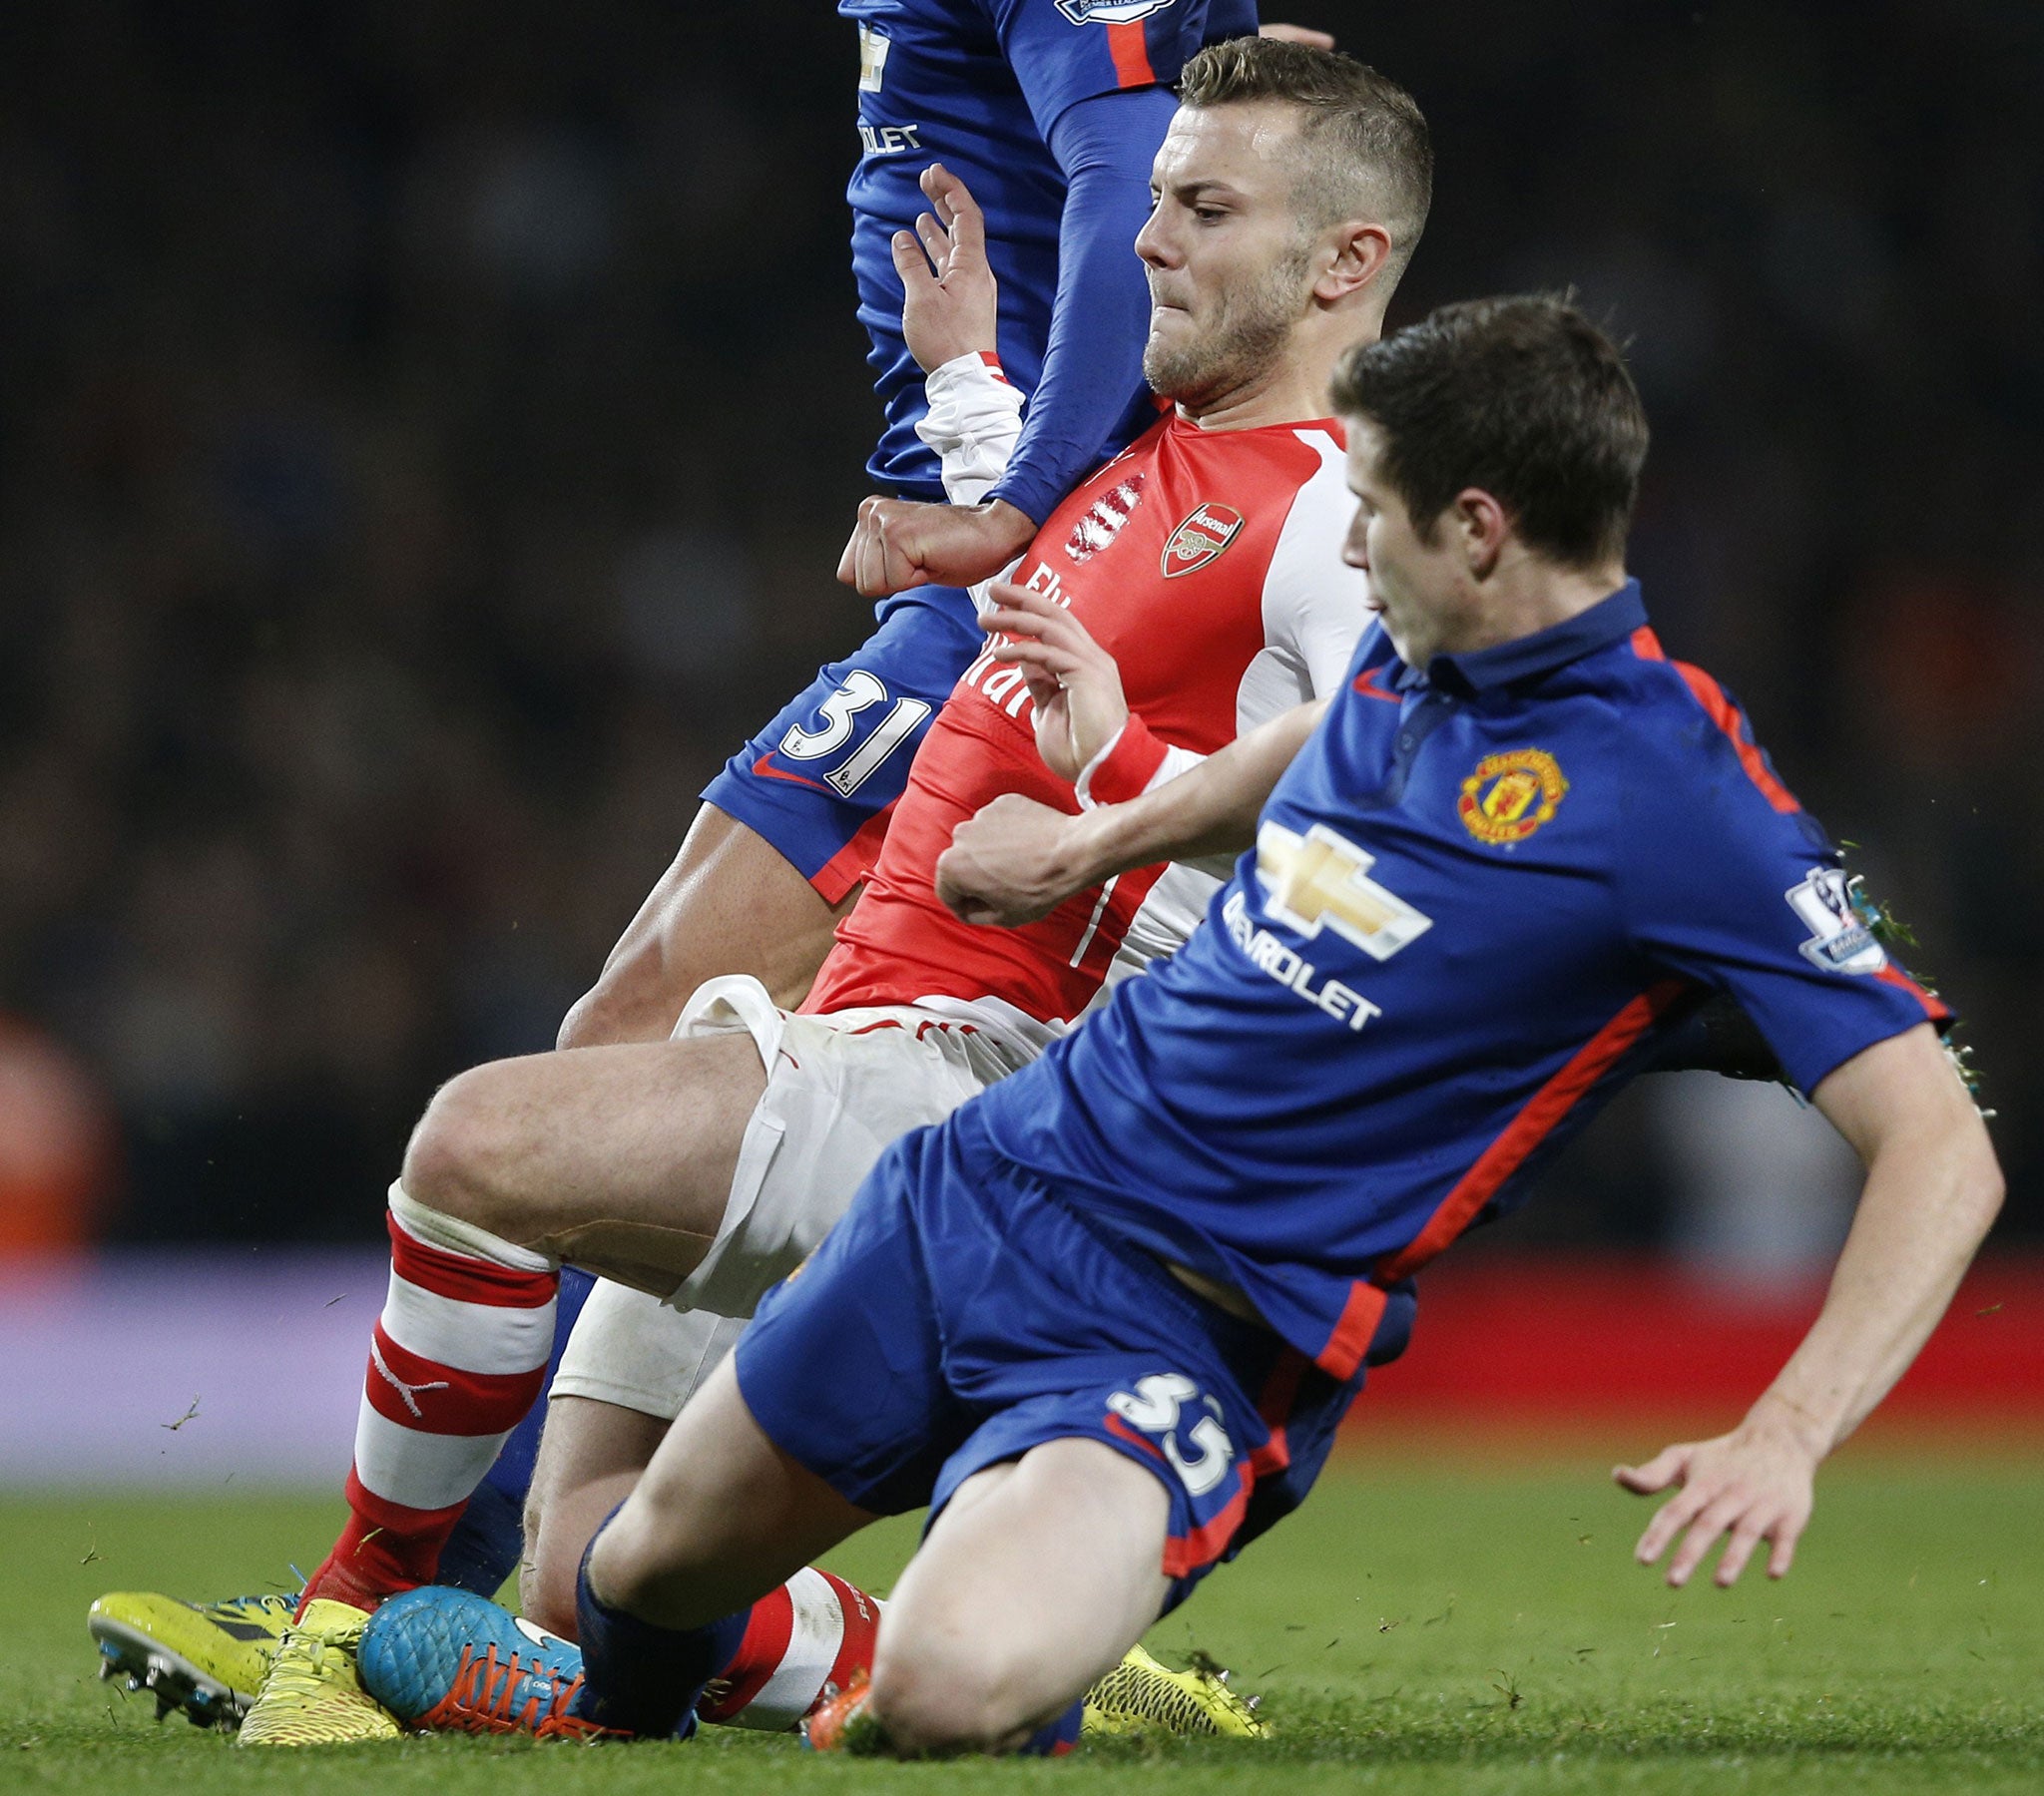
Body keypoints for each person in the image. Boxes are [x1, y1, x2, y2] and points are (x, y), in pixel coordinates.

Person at [351, 293, 2001, 1757]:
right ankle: (619, 1705)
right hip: (987, 1186)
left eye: (1373, 516)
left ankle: (1015, 1649)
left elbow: (1942, 1143)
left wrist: (1789, 1432)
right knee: (621, 1579)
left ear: (1482, 529)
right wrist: (1096, 827)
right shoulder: (1414, 674)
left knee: (940, 1695)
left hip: (1187, 1330)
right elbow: (1291, 764)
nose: (1346, 551)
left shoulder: (1679, 796)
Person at [100, 37, 1430, 1750]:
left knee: (479, 1149)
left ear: (1347, 263)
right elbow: (1059, 573)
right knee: (595, 1581)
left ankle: (337, 1634)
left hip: (987, 1088)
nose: (1143, 240)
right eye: (1155, 198)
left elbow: (1382, 819)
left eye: (1200, 207)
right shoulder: (1149, 453)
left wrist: (1111, 809)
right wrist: (966, 391)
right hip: (858, 1029)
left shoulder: (1341, 516)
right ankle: (999, 1656)